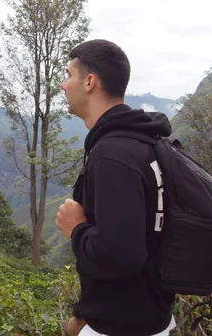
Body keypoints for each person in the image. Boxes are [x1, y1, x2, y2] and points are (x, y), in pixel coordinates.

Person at [55, 39, 177, 336]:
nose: (63, 84)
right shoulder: (146, 142)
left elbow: (122, 255)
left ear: (90, 82)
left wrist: (76, 228)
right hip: (152, 316)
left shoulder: (112, 155)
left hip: (119, 326)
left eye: (69, 75)